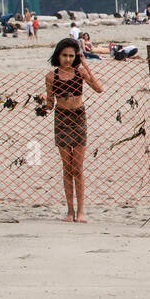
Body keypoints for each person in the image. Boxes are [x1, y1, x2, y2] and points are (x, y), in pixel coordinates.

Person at [38, 37, 103, 223]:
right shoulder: (52, 76)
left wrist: (85, 64)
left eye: (71, 56)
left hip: (78, 117)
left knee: (78, 168)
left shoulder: (80, 73)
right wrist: (43, 101)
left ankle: (81, 210)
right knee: (67, 167)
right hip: (61, 118)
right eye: (64, 55)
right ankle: (70, 211)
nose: (67, 59)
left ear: (75, 57)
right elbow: (51, 104)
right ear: (58, 55)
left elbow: (99, 88)